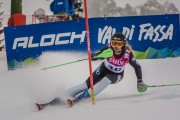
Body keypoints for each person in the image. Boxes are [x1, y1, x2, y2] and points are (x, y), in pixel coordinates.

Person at [36, 33, 147, 110]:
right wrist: (94, 56)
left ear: (124, 44)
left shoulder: (128, 54)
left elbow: (137, 67)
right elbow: (97, 54)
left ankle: (79, 99)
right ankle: (54, 101)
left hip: (116, 75)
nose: (116, 47)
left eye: (119, 44)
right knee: (85, 85)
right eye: (114, 43)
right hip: (103, 69)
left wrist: (140, 81)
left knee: (106, 80)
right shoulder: (108, 49)